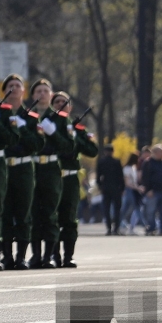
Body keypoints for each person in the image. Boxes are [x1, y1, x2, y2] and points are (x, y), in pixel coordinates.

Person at [0, 74, 42, 270]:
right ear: (4, 90)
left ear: (24, 91)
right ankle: (6, 255)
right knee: (5, 212)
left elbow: (38, 144)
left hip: (24, 168)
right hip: (4, 166)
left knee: (23, 213)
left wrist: (23, 130)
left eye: (18, 85)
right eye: (10, 85)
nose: (14, 89)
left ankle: (21, 256)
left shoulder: (32, 118)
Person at [51, 92, 97, 266]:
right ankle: (54, 255)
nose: (61, 104)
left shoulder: (76, 129)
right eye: (57, 102)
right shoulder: (47, 125)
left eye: (64, 102)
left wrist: (75, 138)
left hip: (70, 178)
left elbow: (92, 151)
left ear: (70, 108)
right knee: (52, 217)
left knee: (69, 218)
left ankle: (68, 255)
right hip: (53, 176)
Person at [25, 78, 63, 268]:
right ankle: (36, 255)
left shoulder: (59, 118)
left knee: (49, 213)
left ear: (51, 94)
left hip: (50, 169)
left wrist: (54, 133)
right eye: (38, 91)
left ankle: (49, 255)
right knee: (33, 213)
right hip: (33, 167)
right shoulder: (27, 116)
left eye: (45, 91)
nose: (42, 94)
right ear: (32, 95)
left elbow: (68, 146)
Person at [140, 145, 162, 236]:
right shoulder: (148, 163)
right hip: (153, 192)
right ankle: (151, 228)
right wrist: (148, 189)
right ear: (155, 152)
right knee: (151, 211)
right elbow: (145, 177)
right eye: (160, 152)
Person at [96, 146, 125, 235]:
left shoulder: (101, 162)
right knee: (117, 209)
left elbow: (98, 176)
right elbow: (121, 176)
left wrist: (100, 186)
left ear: (105, 152)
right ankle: (116, 228)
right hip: (116, 188)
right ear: (112, 152)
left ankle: (109, 228)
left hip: (106, 188)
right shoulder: (116, 162)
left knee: (106, 209)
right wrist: (122, 188)